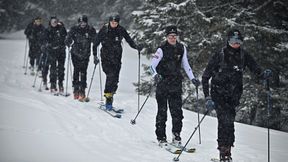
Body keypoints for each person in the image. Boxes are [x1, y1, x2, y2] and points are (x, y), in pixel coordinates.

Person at [202, 29, 272, 162]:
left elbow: (255, 68)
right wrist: (208, 97)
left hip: (234, 95)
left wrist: (263, 74)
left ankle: (228, 149)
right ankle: (224, 152)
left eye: (239, 41)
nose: (236, 44)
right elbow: (205, 76)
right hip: (218, 93)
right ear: (228, 40)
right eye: (233, 41)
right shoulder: (220, 54)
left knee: (230, 122)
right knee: (224, 122)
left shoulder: (243, 55)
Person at [150, 25, 200, 146]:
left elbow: (186, 65)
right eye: (170, 36)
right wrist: (156, 75)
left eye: (174, 36)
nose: (172, 38)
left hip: (176, 84)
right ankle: (161, 137)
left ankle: (176, 135)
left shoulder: (181, 48)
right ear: (166, 37)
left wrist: (193, 78)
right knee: (162, 112)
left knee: (177, 112)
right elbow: (152, 66)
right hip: (163, 84)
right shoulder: (161, 49)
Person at [93, 13, 142, 110]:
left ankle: (110, 95)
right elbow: (95, 43)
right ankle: (108, 100)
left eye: (115, 22)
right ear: (109, 22)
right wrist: (95, 56)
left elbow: (129, 40)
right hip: (106, 57)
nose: (113, 24)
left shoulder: (121, 30)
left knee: (115, 80)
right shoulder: (104, 29)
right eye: (112, 22)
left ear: (118, 23)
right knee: (110, 76)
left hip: (117, 58)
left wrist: (137, 47)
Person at [65, 15, 97, 101]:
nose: (82, 24)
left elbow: (95, 40)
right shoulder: (74, 29)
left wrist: (96, 42)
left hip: (86, 54)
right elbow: (68, 38)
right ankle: (76, 89)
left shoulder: (90, 29)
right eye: (81, 22)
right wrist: (68, 42)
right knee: (76, 70)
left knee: (83, 72)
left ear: (86, 22)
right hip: (75, 53)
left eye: (84, 22)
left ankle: (82, 90)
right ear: (78, 22)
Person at [43, 16, 67, 93]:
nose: (54, 23)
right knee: (53, 69)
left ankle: (60, 84)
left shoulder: (61, 28)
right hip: (52, 51)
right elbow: (44, 39)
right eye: (53, 21)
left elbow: (66, 37)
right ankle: (53, 85)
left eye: (55, 21)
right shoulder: (48, 30)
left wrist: (66, 44)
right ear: (50, 22)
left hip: (61, 51)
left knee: (61, 69)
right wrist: (46, 45)